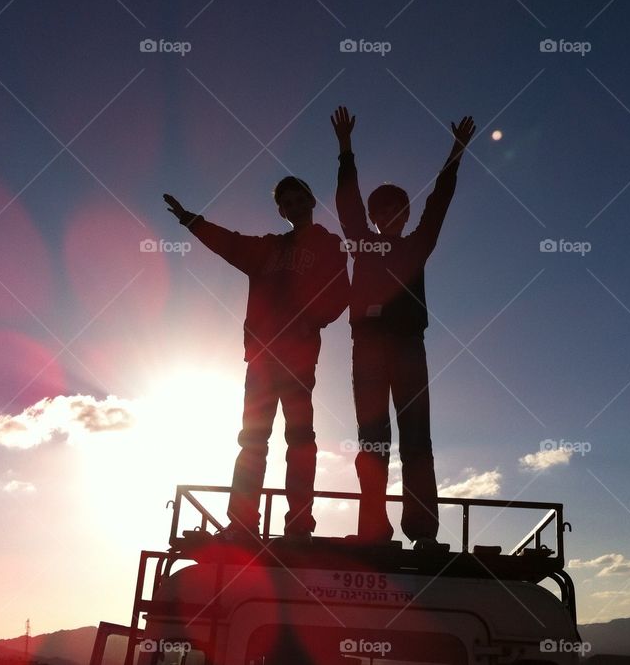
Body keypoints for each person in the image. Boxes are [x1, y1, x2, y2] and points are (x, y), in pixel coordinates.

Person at [163, 177, 349, 544]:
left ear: (311, 201)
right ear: (281, 210)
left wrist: (310, 320)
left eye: (299, 199)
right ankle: (243, 522)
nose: (294, 206)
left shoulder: (328, 245)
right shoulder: (267, 249)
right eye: (287, 203)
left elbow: (340, 292)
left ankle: (299, 524)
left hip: (298, 360)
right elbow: (230, 243)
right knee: (252, 440)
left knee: (300, 440)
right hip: (262, 360)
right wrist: (192, 221)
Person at [331, 105, 475, 549]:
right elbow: (348, 203)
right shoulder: (362, 242)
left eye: (400, 209)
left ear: (406, 216)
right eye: (386, 210)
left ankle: (422, 531)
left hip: (411, 348)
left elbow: (438, 204)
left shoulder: (416, 246)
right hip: (369, 350)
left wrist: (455, 154)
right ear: (376, 217)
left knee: (416, 440)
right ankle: (373, 529)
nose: (395, 215)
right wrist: (345, 150)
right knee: (373, 442)